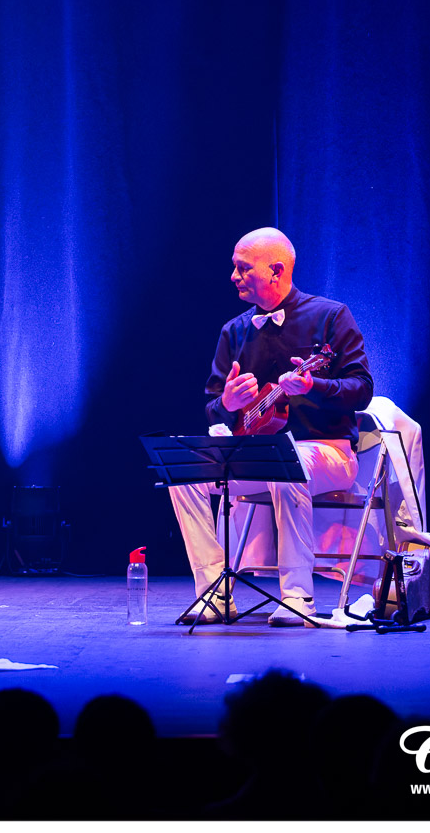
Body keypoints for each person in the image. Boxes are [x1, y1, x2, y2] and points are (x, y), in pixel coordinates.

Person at [169, 227, 373, 626]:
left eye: (243, 268)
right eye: (234, 268)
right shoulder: (234, 331)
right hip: (258, 456)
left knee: (286, 460)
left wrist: (316, 385)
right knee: (184, 475)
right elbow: (214, 409)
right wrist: (228, 404)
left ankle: (298, 596)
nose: (233, 276)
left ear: (276, 271)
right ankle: (215, 592)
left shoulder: (331, 316)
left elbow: (362, 389)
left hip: (328, 451)